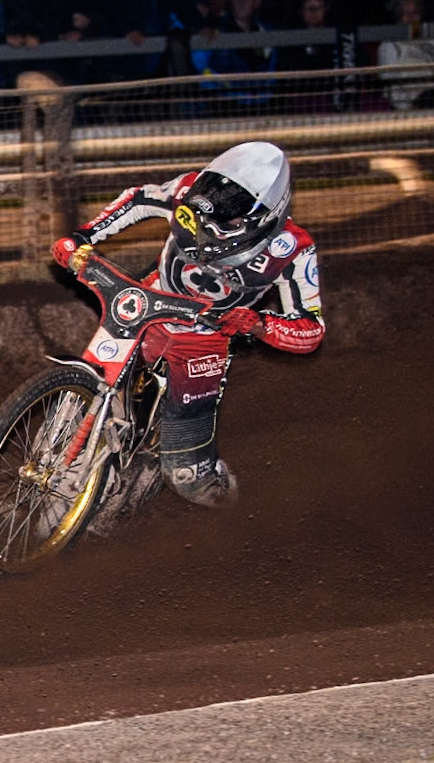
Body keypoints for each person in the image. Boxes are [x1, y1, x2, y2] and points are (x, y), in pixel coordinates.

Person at [52, 142, 322, 507]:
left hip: (205, 337)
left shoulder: (291, 249)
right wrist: (83, 237)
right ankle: (64, 464)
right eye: (202, 212)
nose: (206, 225)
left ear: (261, 216)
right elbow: (138, 199)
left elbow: (310, 330)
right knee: (90, 381)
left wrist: (258, 324)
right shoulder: (187, 189)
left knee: (188, 479)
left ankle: (242, 516)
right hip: (150, 304)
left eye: (224, 220)